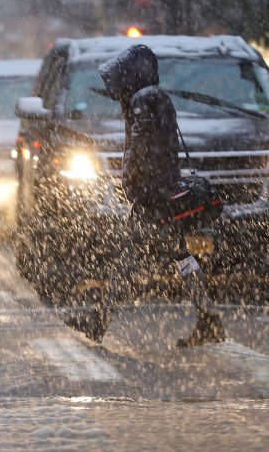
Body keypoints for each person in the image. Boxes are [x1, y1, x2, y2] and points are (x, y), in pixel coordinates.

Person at [64, 44, 226, 347]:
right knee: (182, 257)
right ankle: (209, 319)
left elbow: (140, 150)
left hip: (153, 198)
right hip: (164, 191)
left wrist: (136, 186)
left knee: (128, 260)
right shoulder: (156, 97)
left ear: (131, 74)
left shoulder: (142, 101)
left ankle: (100, 320)